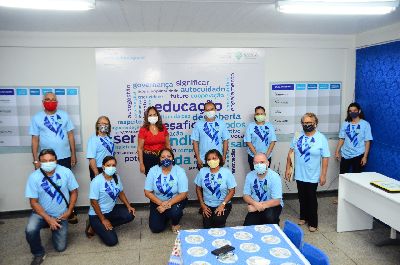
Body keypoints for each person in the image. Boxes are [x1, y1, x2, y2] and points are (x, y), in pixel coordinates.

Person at [25, 149, 79, 265]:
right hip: (41, 214)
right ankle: (38, 253)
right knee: (30, 229)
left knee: (60, 248)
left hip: (61, 215)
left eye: (51, 160)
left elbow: (74, 192)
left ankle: (54, 226)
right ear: (39, 162)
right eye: (44, 161)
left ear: (56, 160)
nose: (48, 163)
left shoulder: (66, 172)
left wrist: (69, 211)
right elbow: (33, 202)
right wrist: (48, 219)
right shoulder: (34, 177)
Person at [285, 113, 330, 232]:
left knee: (311, 198)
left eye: (309, 123)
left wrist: (323, 175)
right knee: (301, 196)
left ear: (315, 123)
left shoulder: (321, 138)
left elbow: (325, 157)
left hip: (313, 174)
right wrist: (288, 169)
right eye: (304, 123)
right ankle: (303, 217)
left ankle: (313, 222)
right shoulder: (297, 136)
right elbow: (290, 153)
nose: (306, 125)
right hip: (299, 173)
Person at [86, 156, 135, 246]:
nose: (111, 167)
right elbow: (93, 203)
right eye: (108, 165)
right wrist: (103, 219)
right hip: (97, 215)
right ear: (103, 167)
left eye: (113, 165)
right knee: (112, 241)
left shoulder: (116, 177)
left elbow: (120, 192)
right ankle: (94, 225)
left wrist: (128, 206)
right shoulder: (96, 181)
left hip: (111, 210)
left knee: (130, 215)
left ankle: (103, 227)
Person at [144, 148, 188, 234]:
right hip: (158, 201)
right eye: (163, 157)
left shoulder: (179, 171)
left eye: (169, 156)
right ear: (159, 159)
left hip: (175, 200)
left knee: (175, 212)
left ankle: (175, 222)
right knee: (156, 228)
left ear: (173, 158)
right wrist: (161, 203)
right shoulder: (153, 170)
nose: (166, 159)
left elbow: (184, 194)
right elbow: (147, 192)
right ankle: (167, 215)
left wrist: (166, 205)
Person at [30, 92, 77, 170]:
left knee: (64, 180)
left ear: (57, 102)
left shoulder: (64, 115)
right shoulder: (36, 117)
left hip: (65, 156)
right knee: (48, 181)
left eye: (53, 100)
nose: (50, 102)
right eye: (47, 100)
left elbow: (71, 136)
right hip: (46, 158)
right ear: (43, 102)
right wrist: (35, 160)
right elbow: (35, 140)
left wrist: (73, 154)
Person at [195, 149, 237, 228]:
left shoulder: (226, 172)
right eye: (209, 159)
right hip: (207, 204)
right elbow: (198, 188)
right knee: (207, 226)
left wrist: (222, 205)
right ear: (206, 161)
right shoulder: (202, 171)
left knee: (218, 221)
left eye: (214, 158)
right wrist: (202, 204)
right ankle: (203, 211)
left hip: (223, 204)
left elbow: (232, 191)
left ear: (219, 159)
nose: (211, 161)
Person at [243, 153, 283, 226]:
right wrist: (255, 204)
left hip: (272, 205)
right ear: (253, 164)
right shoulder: (250, 176)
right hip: (256, 204)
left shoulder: (275, 177)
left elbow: (277, 201)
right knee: (248, 226)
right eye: (256, 162)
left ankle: (275, 222)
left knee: (269, 217)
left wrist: (256, 207)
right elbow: (246, 195)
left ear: (268, 163)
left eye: (262, 162)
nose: (259, 165)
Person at [335, 102, 373, 174]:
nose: (352, 112)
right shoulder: (345, 123)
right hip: (345, 154)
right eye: (350, 111)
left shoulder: (365, 124)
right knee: (343, 176)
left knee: (356, 177)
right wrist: (337, 151)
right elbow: (342, 138)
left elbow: (367, 141)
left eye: (355, 110)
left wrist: (365, 157)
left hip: (358, 155)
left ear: (359, 111)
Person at [192, 101, 230, 170]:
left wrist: (224, 156)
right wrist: (198, 158)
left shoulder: (222, 123)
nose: (210, 111)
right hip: (203, 159)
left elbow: (225, 140)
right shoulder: (198, 124)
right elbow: (195, 142)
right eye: (207, 110)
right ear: (204, 111)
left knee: (218, 180)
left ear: (215, 110)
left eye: (211, 109)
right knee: (204, 180)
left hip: (218, 158)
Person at [137, 106, 171, 176]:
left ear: (157, 115)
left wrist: (170, 159)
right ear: (147, 117)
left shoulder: (163, 127)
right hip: (148, 158)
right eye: (150, 115)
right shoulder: (143, 130)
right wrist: (141, 164)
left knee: (164, 179)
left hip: (162, 158)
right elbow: (140, 148)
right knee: (151, 182)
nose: (153, 116)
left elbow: (168, 145)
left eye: (155, 114)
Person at [244, 106, 277, 170]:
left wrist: (266, 156)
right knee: (254, 175)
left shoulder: (269, 126)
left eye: (261, 114)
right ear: (255, 115)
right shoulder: (250, 126)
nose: (260, 115)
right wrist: (256, 156)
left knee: (265, 175)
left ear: (265, 114)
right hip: (253, 156)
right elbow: (248, 142)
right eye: (257, 114)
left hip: (267, 156)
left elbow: (273, 141)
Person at [86, 116, 115, 180]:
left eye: (106, 124)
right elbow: (91, 159)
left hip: (109, 168)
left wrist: (112, 167)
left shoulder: (110, 139)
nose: (104, 125)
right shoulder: (93, 139)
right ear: (97, 125)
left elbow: (112, 154)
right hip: (98, 168)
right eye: (101, 123)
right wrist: (96, 173)